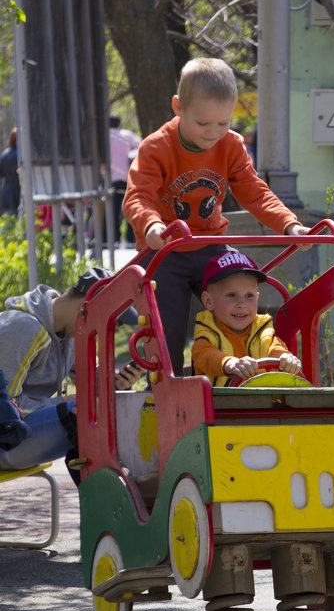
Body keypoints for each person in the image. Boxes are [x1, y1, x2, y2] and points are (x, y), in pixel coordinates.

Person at [123, 57, 309, 376]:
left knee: (237, 303)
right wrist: (151, 224)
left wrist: (289, 224)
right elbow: (138, 196)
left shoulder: (231, 145)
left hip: (210, 245)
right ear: (178, 107)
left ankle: (240, 376)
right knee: (168, 327)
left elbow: (254, 191)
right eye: (203, 123)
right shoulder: (157, 148)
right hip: (164, 252)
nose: (213, 133)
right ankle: (164, 390)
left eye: (222, 123)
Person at [0, 267, 141, 472]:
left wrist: (118, 382)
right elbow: (6, 409)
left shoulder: (71, 335)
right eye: (108, 320)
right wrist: (63, 402)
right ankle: (119, 496)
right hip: (6, 438)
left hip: (21, 436)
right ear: (87, 307)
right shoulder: (24, 327)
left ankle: (113, 498)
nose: (106, 329)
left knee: (104, 409)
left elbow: (92, 384)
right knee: (82, 413)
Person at [191, 250, 301, 386]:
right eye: (231, 295)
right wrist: (230, 363)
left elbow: (276, 348)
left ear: (257, 298)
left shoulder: (263, 333)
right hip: (217, 405)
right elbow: (207, 356)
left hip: (259, 403)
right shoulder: (205, 339)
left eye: (249, 296)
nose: (242, 304)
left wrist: (285, 358)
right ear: (209, 301)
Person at [109, 115, 141, 245]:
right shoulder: (126, 135)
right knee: (130, 207)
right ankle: (129, 238)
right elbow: (142, 144)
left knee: (113, 211)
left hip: (110, 178)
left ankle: (115, 239)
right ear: (119, 124)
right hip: (127, 177)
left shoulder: (104, 137)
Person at [0, 128, 21, 218]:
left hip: (7, 192)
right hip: (19, 191)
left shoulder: (4, 154)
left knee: (9, 221)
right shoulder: (20, 155)